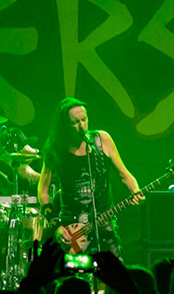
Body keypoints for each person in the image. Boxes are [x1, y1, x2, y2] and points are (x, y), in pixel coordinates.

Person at [34, 99, 143, 253]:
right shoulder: (55, 149)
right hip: (71, 228)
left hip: (103, 221)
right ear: (64, 125)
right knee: (74, 268)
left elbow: (123, 174)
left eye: (84, 119)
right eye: (75, 122)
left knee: (111, 266)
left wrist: (135, 189)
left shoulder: (102, 140)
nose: (82, 126)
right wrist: (56, 226)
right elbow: (43, 192)